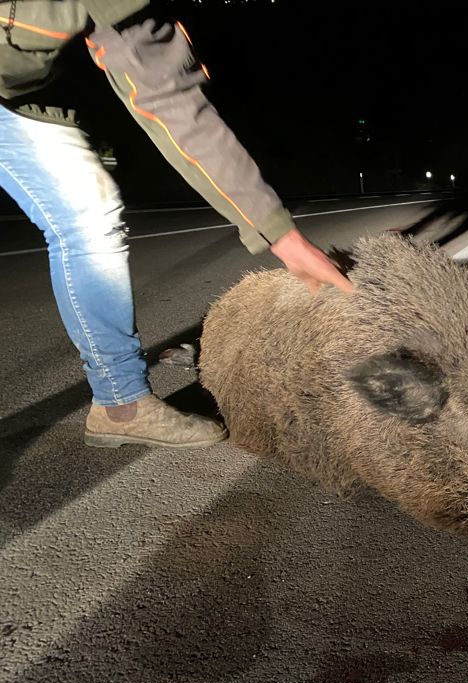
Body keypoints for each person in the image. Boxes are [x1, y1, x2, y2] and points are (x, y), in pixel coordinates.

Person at [0, 0, 353, 449]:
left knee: (89, 211)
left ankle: (119, 401)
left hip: (16, 99)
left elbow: (174, 105)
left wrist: (283, 237)